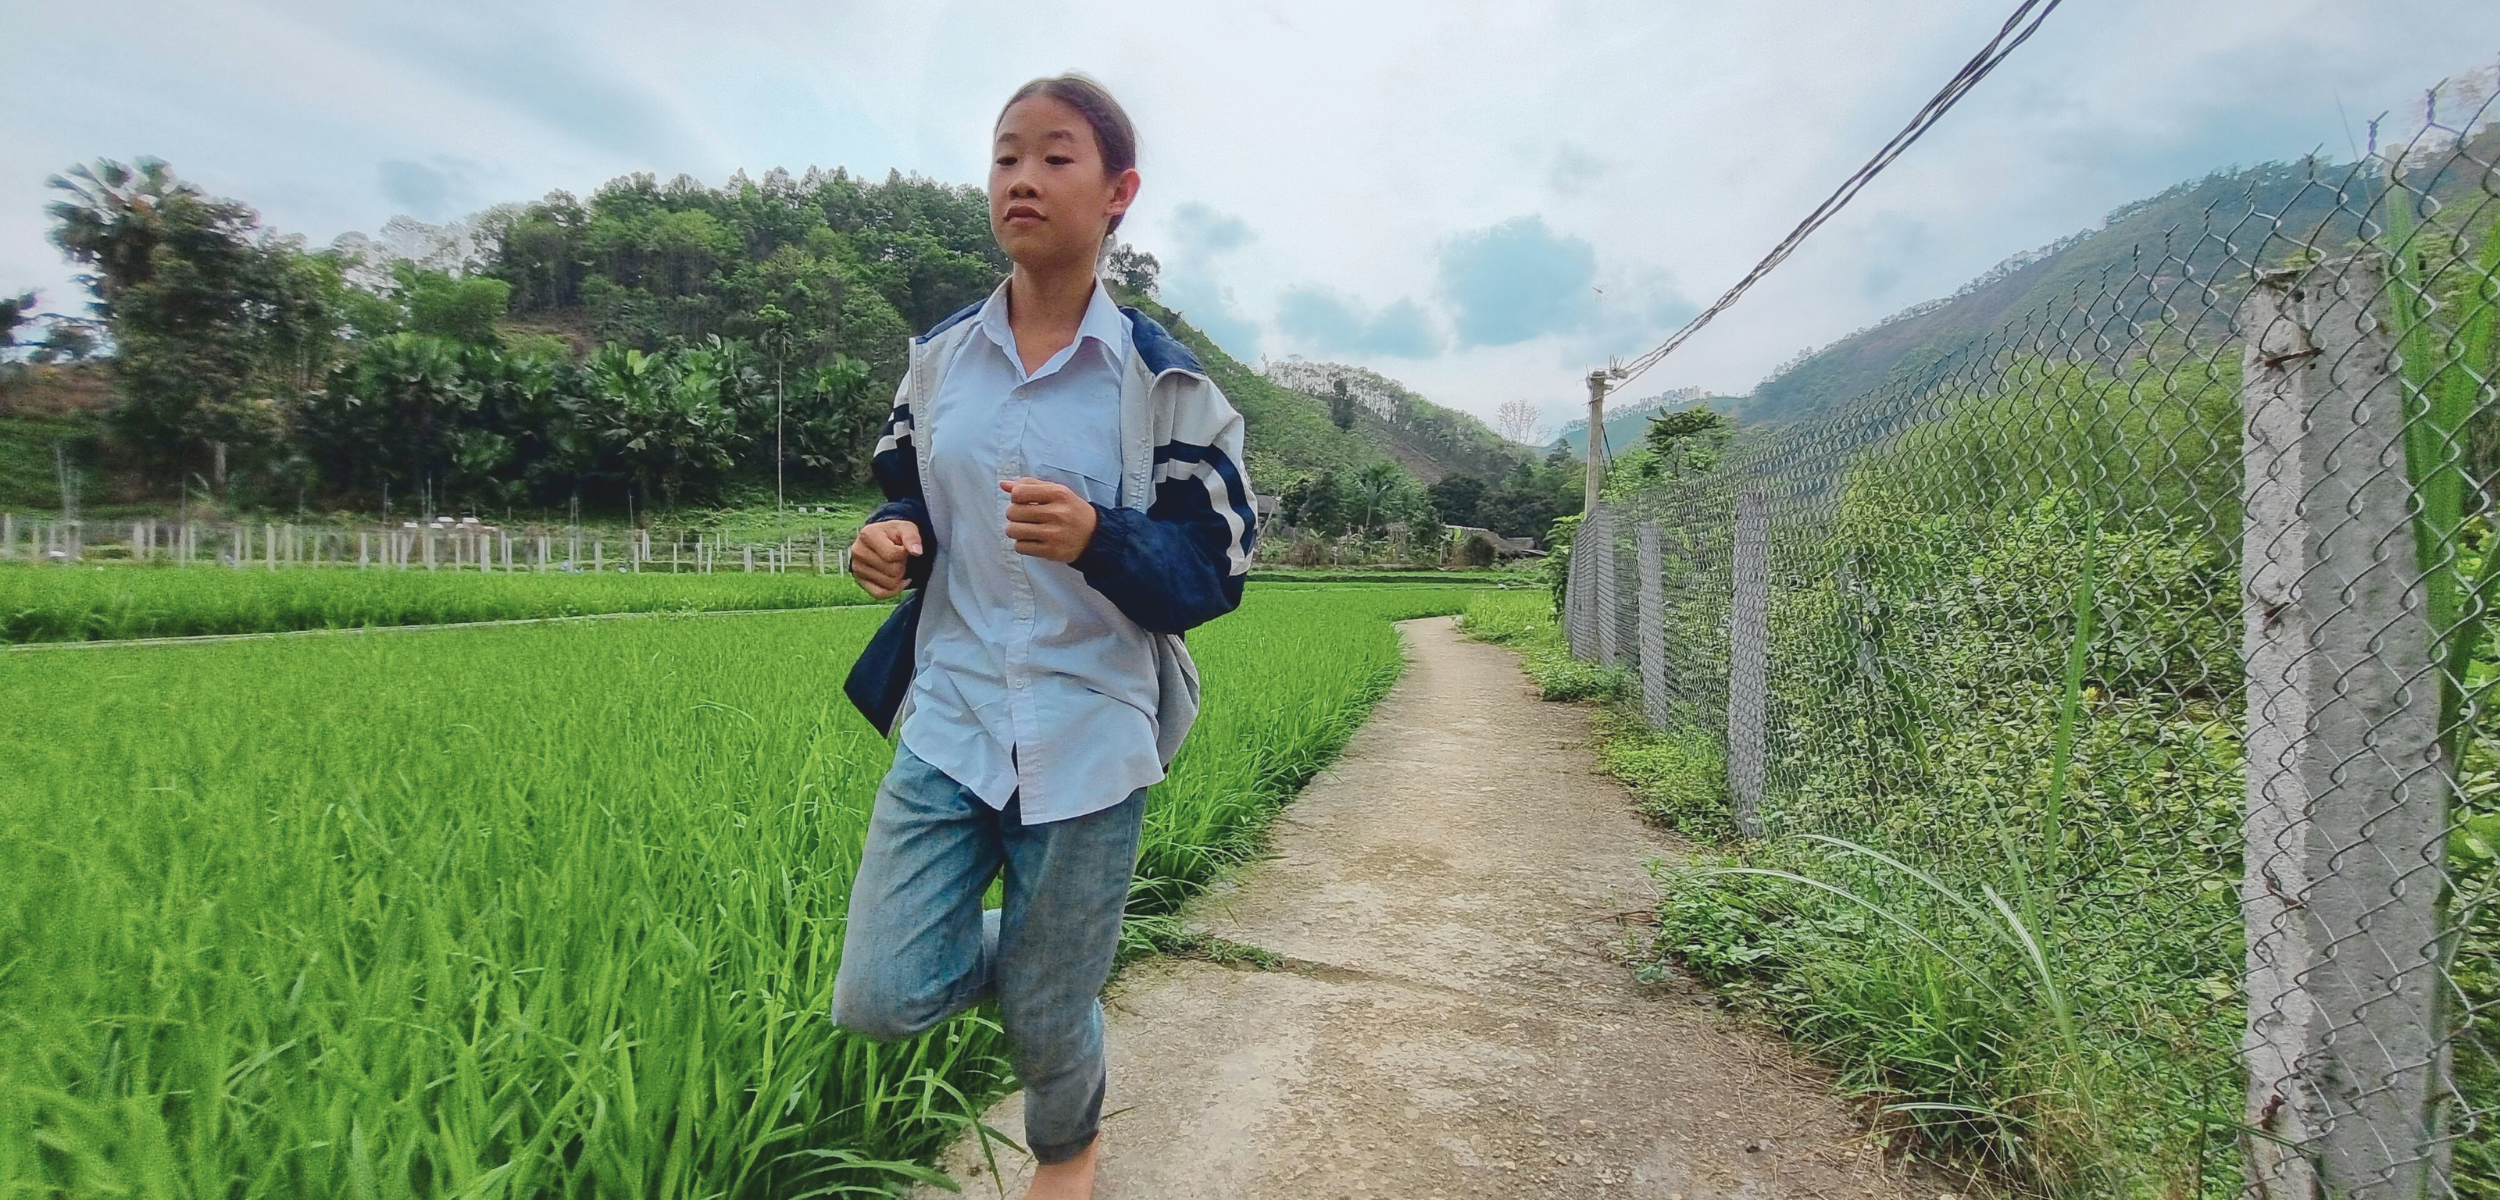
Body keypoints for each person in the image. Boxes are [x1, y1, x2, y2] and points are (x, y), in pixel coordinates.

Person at [831, 74, 1257, 1200]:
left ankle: (1067, 1150)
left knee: (1046, 1008)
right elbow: (913, 495)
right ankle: (1043, 962)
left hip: (1089, 729)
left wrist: (1097, 537)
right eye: (1005, 155)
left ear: (1117, 192)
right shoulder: (937, 362)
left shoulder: (1171, 390)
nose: (1021, 177)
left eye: (1054, 156)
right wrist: (888, 537)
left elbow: (1212, 574)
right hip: (954, 714)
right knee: (880, 992)